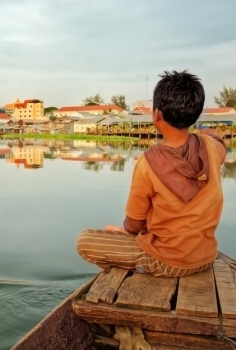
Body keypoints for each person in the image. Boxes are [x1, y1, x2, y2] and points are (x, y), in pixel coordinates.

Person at [76, 70, 226, 277]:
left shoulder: (148, 163)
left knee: (85, 240)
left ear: (157, 115)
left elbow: (134, 224)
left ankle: (141, 267)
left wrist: (127, 234)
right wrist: (204, 134)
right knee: (118, 232)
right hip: (205, 257)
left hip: (168, 262)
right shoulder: (211, 147)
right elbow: (218, 139)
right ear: (195, 113)